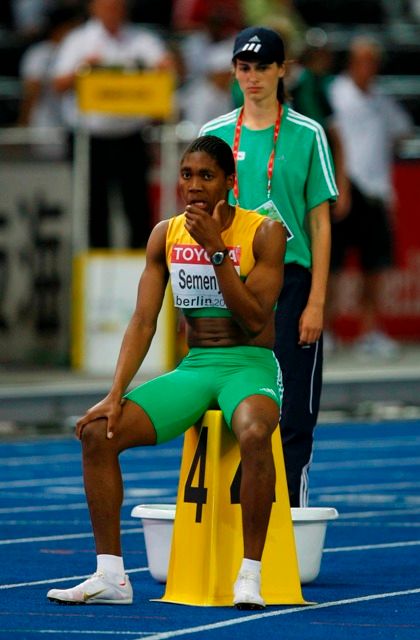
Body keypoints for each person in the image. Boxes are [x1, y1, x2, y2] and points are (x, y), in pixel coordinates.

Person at [46, 135, 287, 609]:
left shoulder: (264, 233)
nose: (194, 186)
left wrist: (217, 251)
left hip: (249, 363)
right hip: (196, 367)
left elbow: (256, 319)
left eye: (206, 176)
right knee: (98, 433)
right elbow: (143, 320)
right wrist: (115, 393)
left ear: (230, 183)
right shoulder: (165, 233)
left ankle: (250, 574)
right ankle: (111, 575)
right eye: (186, 175)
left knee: (255, 433)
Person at [200, 26, 337, 507]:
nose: (252, 77)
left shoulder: (307, 134)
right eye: (244, 67)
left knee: (294, 409)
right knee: (229, 404)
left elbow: (320, 224)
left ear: (283, 70)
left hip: (292, 286)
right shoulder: (213, 134)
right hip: (229, 283)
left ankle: (291, 525)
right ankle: (233, 523)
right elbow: (197, 218)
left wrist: (316, 302)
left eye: (262, 67)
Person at [52, 0, 173, 248]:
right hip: (91, 138)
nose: (112, 11)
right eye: (106, 6)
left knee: (138, 207)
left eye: (117, 6)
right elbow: (59, 84)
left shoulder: (141, 40)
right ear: (94, 8)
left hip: (132, 135)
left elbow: (169, 67)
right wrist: (84, 70)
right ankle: (97, 265)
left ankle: (141, 266)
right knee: (95, 208)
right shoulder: (79, 40)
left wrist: (161, 68)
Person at [328, 36, 413, 357]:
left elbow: (403, 130)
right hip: (344, 189)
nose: (370, 67)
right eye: (364, 60)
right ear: (352, 62)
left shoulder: (381, 99)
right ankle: (327, 332)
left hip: (376, 193)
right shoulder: (335, 94)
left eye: (374, 61)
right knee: (331, 268)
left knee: (374, 269)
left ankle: (369, 333)